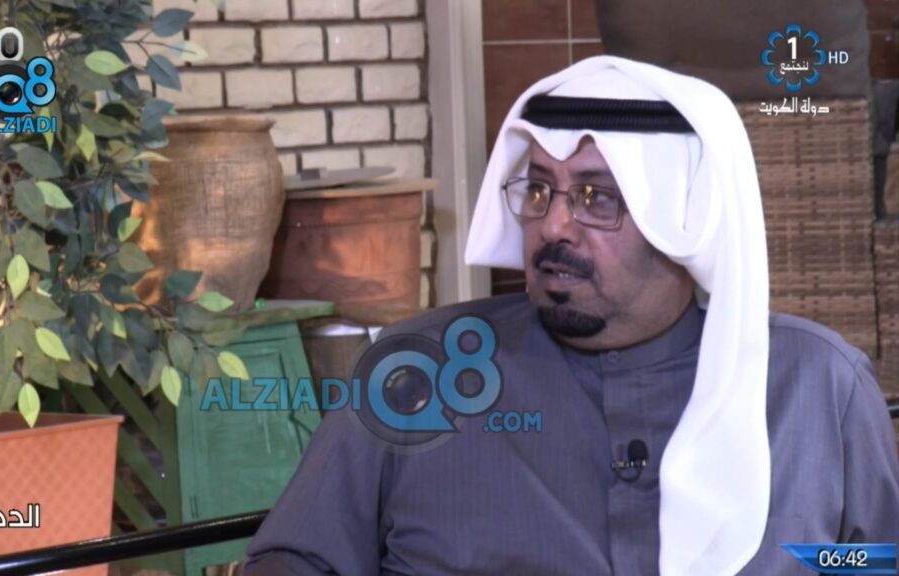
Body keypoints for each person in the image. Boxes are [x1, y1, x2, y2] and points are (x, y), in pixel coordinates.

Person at [243, 56, 899, 576]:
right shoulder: (420, 371)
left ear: (685, 219)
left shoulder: (818, 385)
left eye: (595, 197)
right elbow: (295, 559)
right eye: (538, 189)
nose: (554, 225)